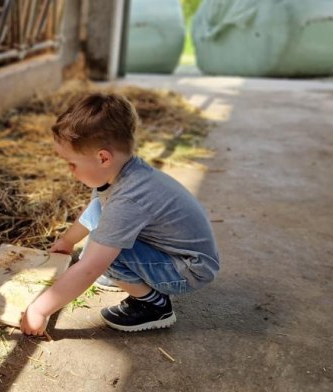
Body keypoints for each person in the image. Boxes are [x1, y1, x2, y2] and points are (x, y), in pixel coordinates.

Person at [20, 92, 219, 335]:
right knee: (101, 242)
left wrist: (39, 310)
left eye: (71, 163)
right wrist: (67, 241)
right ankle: (132, 276)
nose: (69, 170)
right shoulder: (120, 172)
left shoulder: (129, 198)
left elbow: (90, 268)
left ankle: (154, 306)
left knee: (103, 253)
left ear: (103, 158)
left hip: (188, 270)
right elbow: (95, 209)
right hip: (177, 254)